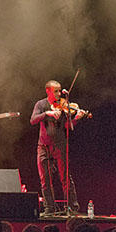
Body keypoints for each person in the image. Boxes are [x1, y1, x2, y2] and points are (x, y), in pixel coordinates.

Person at [30, 79, 87, 216]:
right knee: (45, 179)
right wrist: (47, 114)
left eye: (59, 90)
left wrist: (77, 118)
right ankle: (50, 207)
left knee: (65, 177)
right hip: (43, 146)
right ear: (48, 91)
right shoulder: (41, 104)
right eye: (55, 91)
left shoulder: (63, 105)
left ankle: (72, 207)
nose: (58, 93)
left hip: (60, 145)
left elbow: (68, 126)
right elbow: (33, 120)